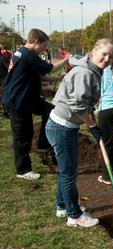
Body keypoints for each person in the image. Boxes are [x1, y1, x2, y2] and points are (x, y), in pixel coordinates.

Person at [46, 38, 113, 227]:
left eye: (110, 56)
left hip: (64, 125)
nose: (107, 59)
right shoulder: (85, 72)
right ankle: (74, 215)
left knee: (66, 171)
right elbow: (77, 106)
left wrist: (91, 120)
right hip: (62, 126)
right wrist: (92, 125)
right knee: (69, 173)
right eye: (104, 54)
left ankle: (63, 206)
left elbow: (85, 102)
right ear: (94, 52)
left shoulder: (93, 71)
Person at [3, 29, 70, 180]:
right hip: (18, 101)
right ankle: (23, 170)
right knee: (22, 136)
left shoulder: (21, 52)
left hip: (28, 99)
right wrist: (67, 60)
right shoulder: (27, 55)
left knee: (50, 110)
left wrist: (59, 78)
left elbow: (40, 76)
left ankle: (42, 144)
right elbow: (51, 68)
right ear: (37, 42)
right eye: (44, 46)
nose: (43, 50)